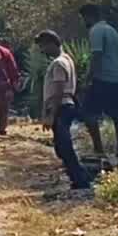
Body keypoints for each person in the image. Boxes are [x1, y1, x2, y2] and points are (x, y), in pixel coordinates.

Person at [36, 30, 91, 190]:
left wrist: (51, 114)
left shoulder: (59, 63)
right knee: (62, 147)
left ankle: (81, 180)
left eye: (43, 46)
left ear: (52, 43)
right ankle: (79, 177)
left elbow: (58, 90)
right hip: (65, 105)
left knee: (64, 147)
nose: (42, 50)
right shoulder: (67, 59)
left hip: (61, 107)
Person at [80, 4, 118, 161]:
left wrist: (88, 78)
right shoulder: (111, 30)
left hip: (102, 79)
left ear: (89, 16)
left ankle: (99, 150)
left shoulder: (96, 31)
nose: (83, 22)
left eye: (84, 18)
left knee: (89, 113)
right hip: (117, 78)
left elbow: (97, 56)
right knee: (117, 114)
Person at [0, 31, 22, 136]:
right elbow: (13, 69)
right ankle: (2, 130)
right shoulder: (5, 52)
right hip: (3, 84)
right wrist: (15, 84)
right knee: (3, 110)